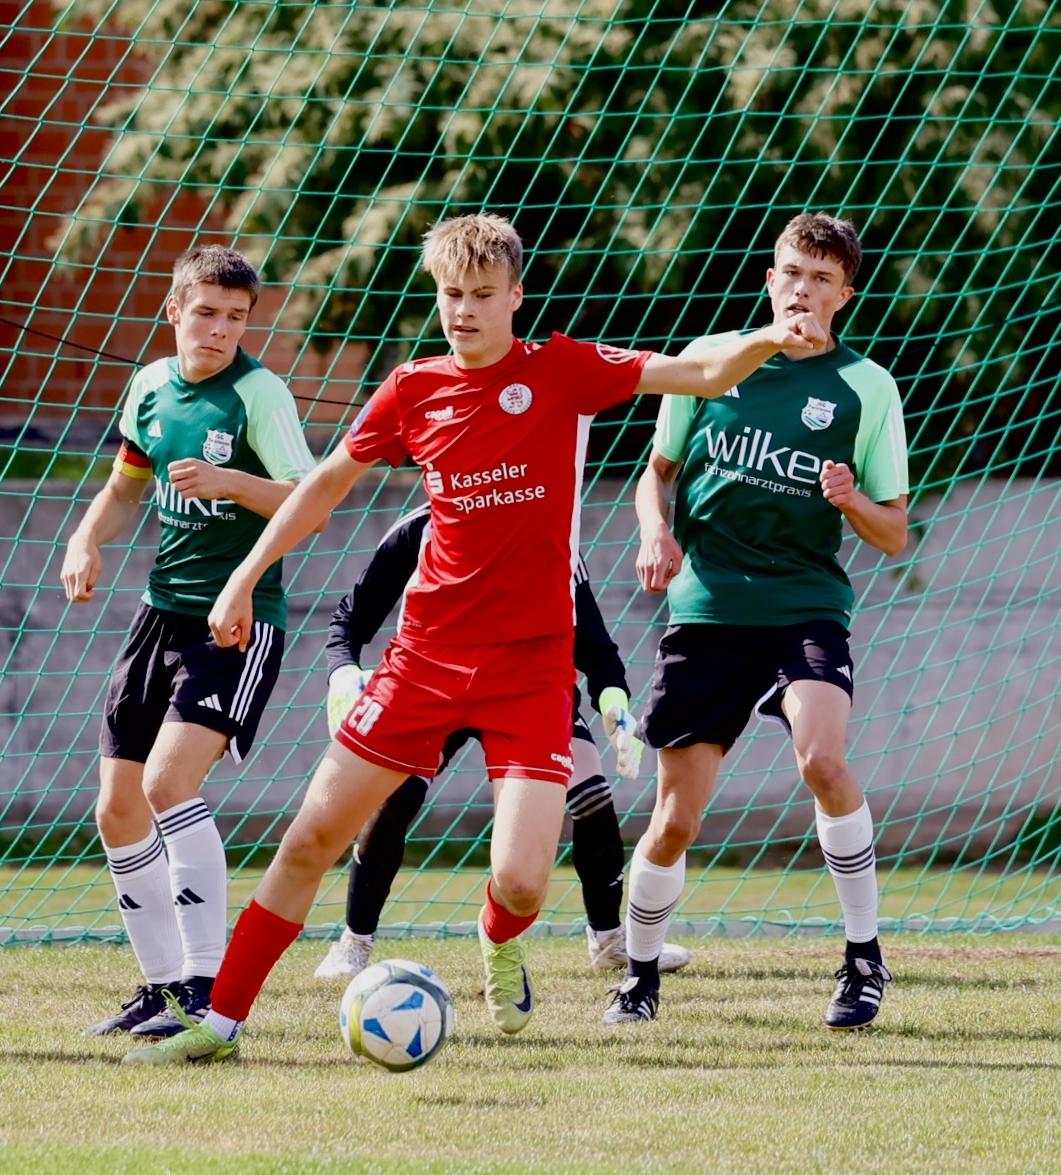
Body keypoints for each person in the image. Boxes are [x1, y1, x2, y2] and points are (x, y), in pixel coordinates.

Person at [123, 212, 817, 1064]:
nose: (463, 310)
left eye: (483, 294)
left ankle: (496, 933)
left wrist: (772, 337)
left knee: (522, 882)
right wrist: (244, 575)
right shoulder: (412, 389)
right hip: (422, 661)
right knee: (308, 840)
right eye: (452, 294)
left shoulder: (561, 369)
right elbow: (323, 486)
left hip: (532, 670)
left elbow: (701, 371)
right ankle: (220, 1024)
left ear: (516, 296)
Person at [603, 213, 909, 1031]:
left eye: (821, 279)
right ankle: (638, 977)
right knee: (676, 820)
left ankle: (864, 958)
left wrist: (852, 500)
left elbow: (894, 531)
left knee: (823, 760)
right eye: (791, 273)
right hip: (707, 611)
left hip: (804, 606)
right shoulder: (713, 359)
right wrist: (654, 530)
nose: (802, 290)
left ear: (844, 296)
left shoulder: (866, 387)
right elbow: (655, 473)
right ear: (770, 280)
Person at [60, 244, 317, 1039]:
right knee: (116, 807)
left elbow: (309, 502)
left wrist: (233, 483)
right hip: (160, 615)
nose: (219, 330)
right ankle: (163, 987)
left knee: (169, 782)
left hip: (238, 618)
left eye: (236, 317)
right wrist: (86, 538)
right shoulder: (149, 387)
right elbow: (125, 486)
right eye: (205, 312)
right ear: (174, 311)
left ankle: (207, 988)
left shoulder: (259, 395)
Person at [312, 504, 692, 976]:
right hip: (437, 685)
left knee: (591, 794)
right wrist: (342, 673)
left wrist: (614, 701)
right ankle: (355, 940)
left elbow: (595, 647)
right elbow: (349, 620)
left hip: (527, 691)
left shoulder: (551, 533)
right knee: (396, 794)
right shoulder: (420, 529)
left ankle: (609, 938)